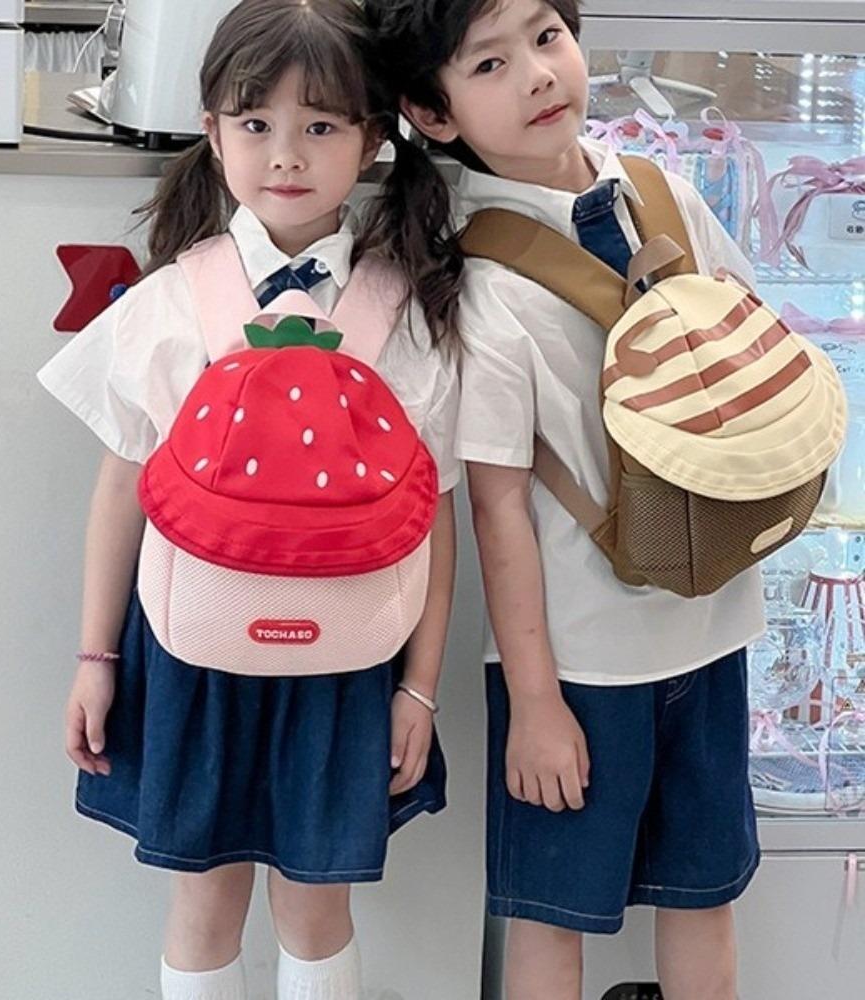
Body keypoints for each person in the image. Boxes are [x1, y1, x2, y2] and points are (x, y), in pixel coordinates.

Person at [37, 2, 462, 998]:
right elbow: (122, 488)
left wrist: (419, 688)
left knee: (318, 910)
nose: (286, 153)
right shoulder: (170, 301)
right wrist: (95, 659)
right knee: (204, 905)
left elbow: (432, 515)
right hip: (188, 651)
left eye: (321, 124)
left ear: (372, 137)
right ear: (213, 128)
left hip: (353, 661)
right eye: (256, 121)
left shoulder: (405, 312)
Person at [366, 1, 765, 997]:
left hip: (714, 625)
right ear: (432, 112)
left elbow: (755, 351)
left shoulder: (665, 195)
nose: (539, 75)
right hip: (578, 661)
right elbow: (496, 509)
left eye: (546, 38)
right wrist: (536, 703)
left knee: (704, 897)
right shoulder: (481, 279)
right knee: (552, 918)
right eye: (489, 65)